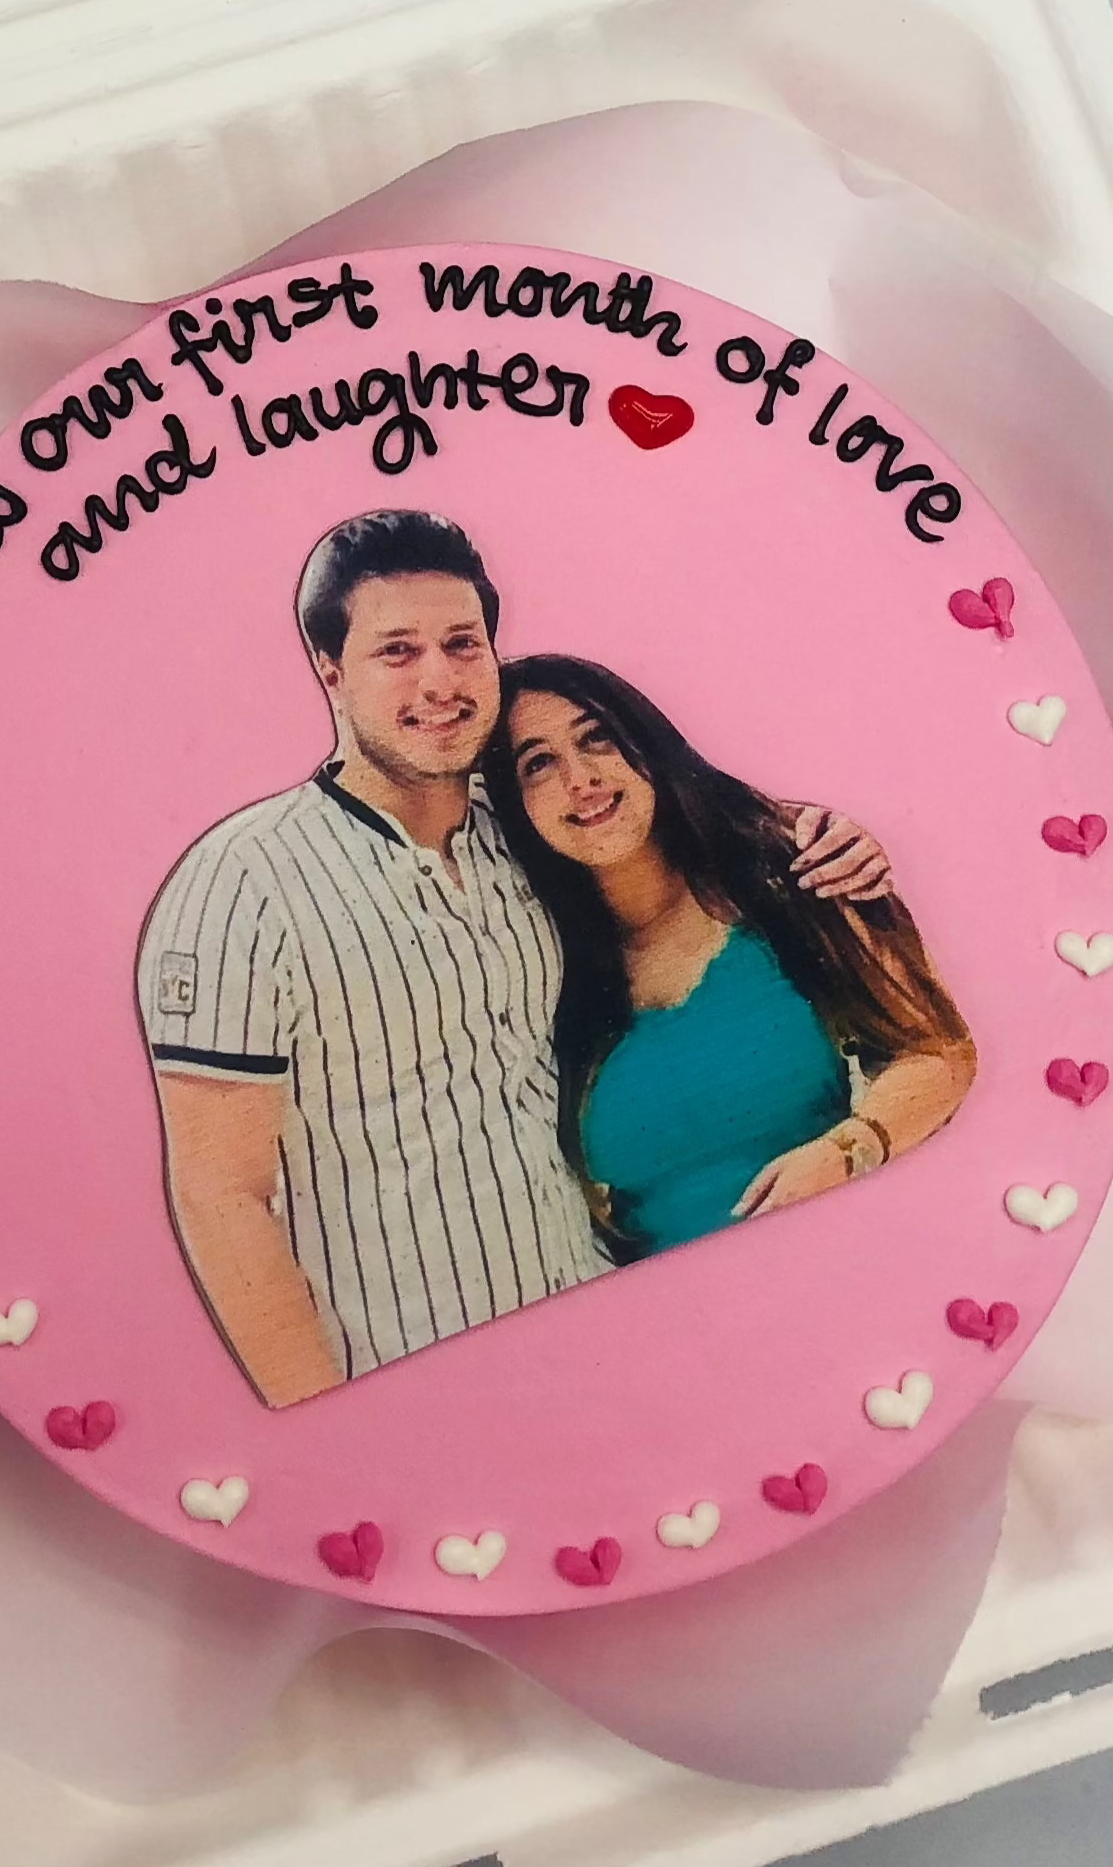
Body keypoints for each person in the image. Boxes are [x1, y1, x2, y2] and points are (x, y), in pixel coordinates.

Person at [138, 511, 895, 1403]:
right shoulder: (241, 881)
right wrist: (321, 1422)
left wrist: (822, 840)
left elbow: (684, 843)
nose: (441, 679)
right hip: (403, 1375)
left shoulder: (535, 831)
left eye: (463, 643)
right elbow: (223, 1194)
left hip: (604, 1322)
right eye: (398, 651)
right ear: (331, 672)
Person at [484, 653, 975, 1260]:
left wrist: (845, 1152)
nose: (579, 778)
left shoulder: (790, 879)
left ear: (647, 744)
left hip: (847, 1270)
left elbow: (940, 1051)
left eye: (598, 738)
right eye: (538, 764)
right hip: (672, 1332)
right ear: (515, 806)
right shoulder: (538, 973)